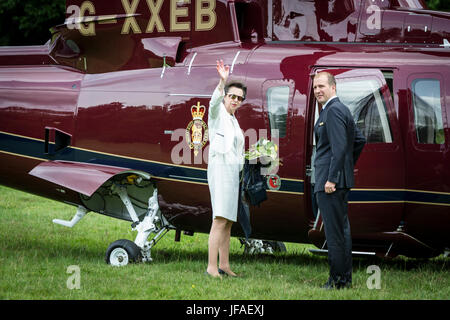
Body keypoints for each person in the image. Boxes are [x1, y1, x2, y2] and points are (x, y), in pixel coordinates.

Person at [312, 71, 366, 289]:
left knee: (334, 234)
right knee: (341, 231)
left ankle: (336, 281)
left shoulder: (333, 111)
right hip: (338, 180)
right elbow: (359, 140)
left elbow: (340, 146)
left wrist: (333, 177)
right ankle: (344, 280)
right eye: (315, 87)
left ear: (333, 87)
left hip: (330, 183)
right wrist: (345, 168)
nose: (317, 91)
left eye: (322, 86)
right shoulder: (340, 109)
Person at [206, 60, 246, 278]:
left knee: (229, 220)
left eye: (239, 98)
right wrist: (222, 82)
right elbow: (212, 104)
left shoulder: (234, 120)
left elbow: (237, 148)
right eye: (232, 96)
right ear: (225, 97)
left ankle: (225, 264)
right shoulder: (217, 114)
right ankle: (211, 267)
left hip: (232, 173)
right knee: (219, 218)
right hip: (220, 170)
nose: (236, 101)